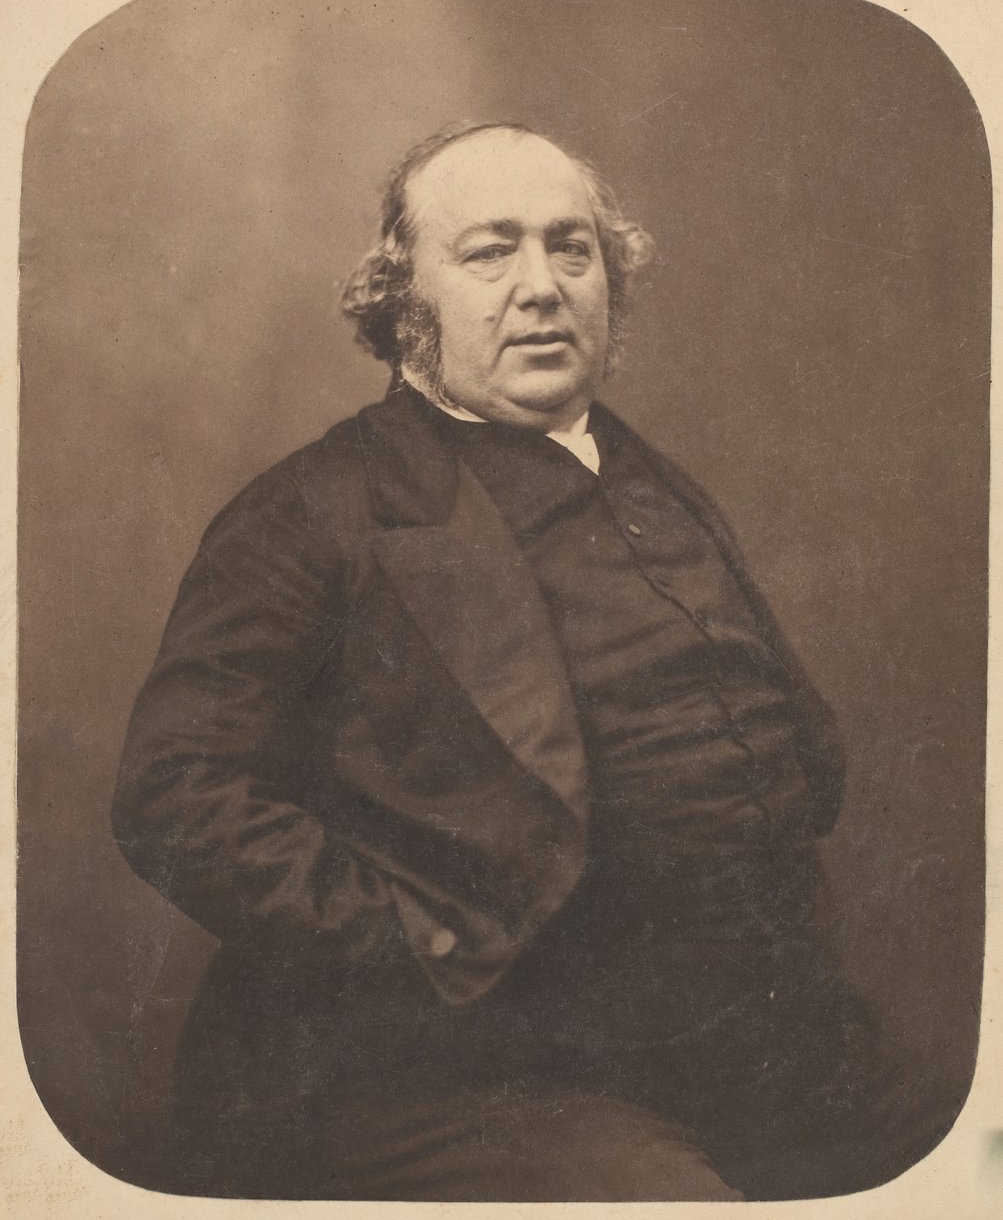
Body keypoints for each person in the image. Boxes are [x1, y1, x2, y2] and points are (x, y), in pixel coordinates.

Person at [112, 121, 953, 1201]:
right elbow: (176, 795)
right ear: (403, 302)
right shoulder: (315, 511)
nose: (542, 286)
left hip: (754, 1037)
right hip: (470, 1071)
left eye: (570, 248)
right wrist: (420, 947)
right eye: (489, 252)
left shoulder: (652, 479)